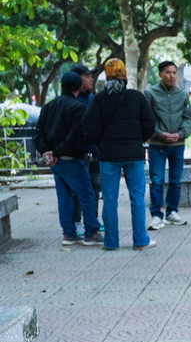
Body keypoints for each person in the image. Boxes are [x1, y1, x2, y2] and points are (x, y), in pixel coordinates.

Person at [81, 59, 156, 250]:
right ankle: (140, 240)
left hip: (108, 156)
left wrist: (101, 142)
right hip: (134, 155)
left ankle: (111, 242)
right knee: (137, 197)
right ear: (125, 77)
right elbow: (149, 123)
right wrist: (140, 138)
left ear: (106, 78)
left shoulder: (99, 99)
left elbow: (89, 127)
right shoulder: (136, 97)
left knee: (109, 199)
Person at [35, 72, 101, 247]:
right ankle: (91, 232)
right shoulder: (78, 108)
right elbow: (75, 135)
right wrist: (56, 152)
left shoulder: (48, 106)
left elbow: (38, 133)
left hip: (55, 161)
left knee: (64, 197)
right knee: (87, 194)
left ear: (62, 86)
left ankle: (69, 234)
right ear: (79, 87)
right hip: (71, 158)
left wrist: (48, 152)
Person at [145, 60, 191, 229]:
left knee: (175, 180)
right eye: (167, 72)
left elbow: (189, 118)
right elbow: (146, 119)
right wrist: (159, 134)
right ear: (160, 74)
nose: (171, 76)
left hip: (177, 144)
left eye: (174, 72)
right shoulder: (150, 93)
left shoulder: (182, 95)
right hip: (157, 144)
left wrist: (180, 134)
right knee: (157, 180)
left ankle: (172, 212)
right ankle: (157, 215)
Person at [69, 63, 103, 235]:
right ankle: (76, 221)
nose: (91, 78)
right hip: (78, 153)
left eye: (91, 75)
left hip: (95, 150)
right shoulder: (71, 101)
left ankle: (93, 219)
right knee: (77, 189)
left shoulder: (92, 98)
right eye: (87, 75)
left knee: (95, 185)